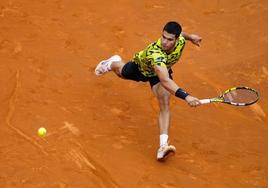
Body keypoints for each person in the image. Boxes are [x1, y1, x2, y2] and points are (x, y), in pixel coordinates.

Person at [95, 21, 201, 161]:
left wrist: (191, 37)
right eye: (163, 37)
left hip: (161, 72)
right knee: (121, 72)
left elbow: (181, 34)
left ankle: (163, 146)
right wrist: (186, 97)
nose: (164, 42)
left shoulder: (180, 40)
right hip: (140, 69)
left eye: (169, 39)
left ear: (176, 40)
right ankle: (111, 63)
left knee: (164, 103)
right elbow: (165, 81)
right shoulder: (155, 53)